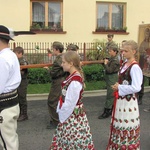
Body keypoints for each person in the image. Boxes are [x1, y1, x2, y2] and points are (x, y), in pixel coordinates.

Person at [49, 51, 95, 150]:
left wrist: (62, 116)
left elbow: (70, 103)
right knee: (68, 137)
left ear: (71, 63)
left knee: (73, 138)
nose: (61, 64)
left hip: (72, 114)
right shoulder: (72, 76)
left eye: (63, 62)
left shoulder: (75, 80)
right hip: (71, 113)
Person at [107, 40, 143, 150]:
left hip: (128, 102)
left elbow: (137, 87)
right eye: (122, 51)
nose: (123, 53)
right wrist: (119, 86)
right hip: (121, 99)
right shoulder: (124, 64)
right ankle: (118, 146)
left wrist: (120, 87)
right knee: (119, 123)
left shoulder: (135, 67)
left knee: (126, 123)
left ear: (134, 51)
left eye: (126, 51)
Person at [0, 25, 21, 150]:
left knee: (7, 143)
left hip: (4, 107)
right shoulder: (11, 54)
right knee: (9, 139)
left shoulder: (2, 58)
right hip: (11, 103)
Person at [46, 41, 66, 129]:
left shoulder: (58, 59)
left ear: (57, 49)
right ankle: (60, 119)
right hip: (63, 80)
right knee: (60, 100)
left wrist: (48, 70)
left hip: (58, 82)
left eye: (53, 49)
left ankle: (55, 121)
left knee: (52, 101)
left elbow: (53, 73)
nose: (52, 50)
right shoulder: (64, 57)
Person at [98, 45, 120, 119]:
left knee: (110, 95)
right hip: (110, 78)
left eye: (111, 51)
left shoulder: (115, 60)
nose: (109, 52)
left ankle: (107, 111)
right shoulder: (112, 58)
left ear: (115, 52)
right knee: (110, 94)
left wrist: (106, 64)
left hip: (112, 78)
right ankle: (111, 109)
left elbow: (109, 70)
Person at [13, 46, 29, 121]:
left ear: (20, 53)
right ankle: (20, 113)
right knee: (18, 98)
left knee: (22, 97)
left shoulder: (23, 60)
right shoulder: (16, 60)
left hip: (22, 81)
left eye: (15, 53)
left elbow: (23, 69)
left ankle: (24, 114)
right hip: (18, 81)